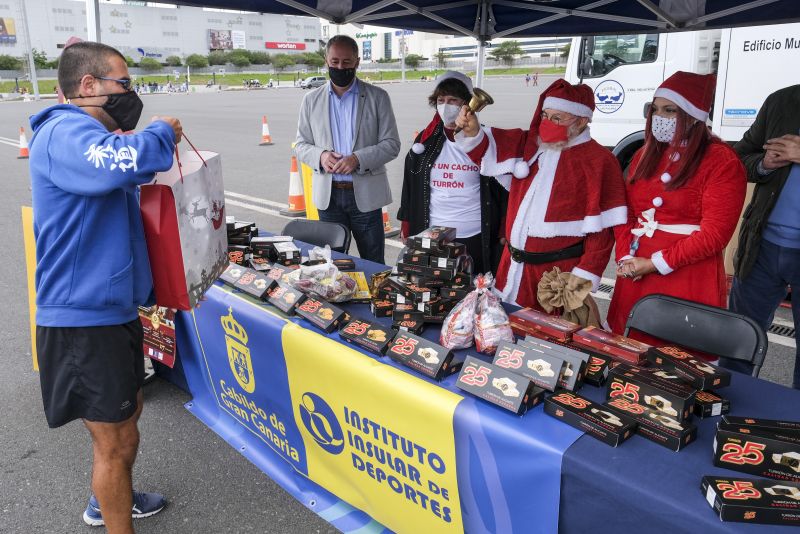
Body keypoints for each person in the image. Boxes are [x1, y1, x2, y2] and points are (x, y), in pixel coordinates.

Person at [29, 41, 182, 532]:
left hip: (111, 309)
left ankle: (110, 497)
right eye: (124, 83)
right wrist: (161, 131)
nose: (130, 93)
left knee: (125, 417)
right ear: (89, 86)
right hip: (84, 319)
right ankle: (112, 509)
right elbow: (123, 162)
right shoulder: (65, 131)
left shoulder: (87, 136)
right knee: (113, 442)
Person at [455, 79, 627, 311]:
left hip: (555, 278)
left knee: (544, 340)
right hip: (510, 269)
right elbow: (488, 149)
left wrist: (581, 281)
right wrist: (473, 131)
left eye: (557, 118)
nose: (547, 123)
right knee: (503, 331)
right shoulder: (532, 146)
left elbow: (602, 234)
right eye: (545, 116)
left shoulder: (599, 161)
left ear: (582, 120)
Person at [608, 71, 747, 339]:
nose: (659, 118)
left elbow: (714, 235)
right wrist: (625, 255)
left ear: (694, 116)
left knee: (676, 357)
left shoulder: (721, 161)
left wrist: (656, 263)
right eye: (655, 109)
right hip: (636, 271)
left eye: (670, 110)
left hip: (687, 276)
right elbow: (627, 213)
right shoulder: (644, 153)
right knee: (628, 348)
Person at [295, 35, 401, 264]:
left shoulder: (377, 97)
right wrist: (321, 156)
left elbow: (392, 144)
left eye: (346, 62)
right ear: (326, 60)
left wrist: (358, 159)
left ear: (357, 61)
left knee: (373, 262)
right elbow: (301, 145)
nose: (340, 67)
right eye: (334, 62)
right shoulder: (311, 100)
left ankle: (374, 300)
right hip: (329, 197)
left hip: (365, 197)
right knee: (329, 264)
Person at [398, 71, 507, 275]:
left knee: (473, 295)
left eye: (453, 100)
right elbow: (411, 182)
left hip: (474, 236)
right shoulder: (426, 139)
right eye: (441, 100)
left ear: (466, 103)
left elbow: (503, 189)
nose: (445, 105)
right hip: (432, 236)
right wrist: (406, 222)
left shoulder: (484, 140)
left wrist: (504, 229)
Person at [727, 84, 800, 387]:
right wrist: (763, 164)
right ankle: (725, 417)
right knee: (737, 342)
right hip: (761, 244)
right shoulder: (782, 100)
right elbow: (738, 157)